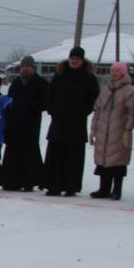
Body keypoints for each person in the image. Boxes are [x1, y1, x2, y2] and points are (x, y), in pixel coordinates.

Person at [43, 46, 101, 196]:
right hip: (58, 122)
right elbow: (50, 95)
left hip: (77, 123)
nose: (74, 60)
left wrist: (83, 112)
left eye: (77, 58)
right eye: (72, 58)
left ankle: (70, 186)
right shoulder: (59, 75)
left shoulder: (89, 78)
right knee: (55, 154)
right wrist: (52, 109)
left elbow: (93, 99)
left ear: (82, 60)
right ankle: (53, 185)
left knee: (73, 157)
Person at [89, 61, 134, 200]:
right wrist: (94, 128)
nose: (114, 73)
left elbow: (133, 112)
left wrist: (128, 129)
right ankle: (103, 189)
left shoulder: (129, 90)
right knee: (103, 159)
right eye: (112, 71)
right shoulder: (105, 89)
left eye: (117, 71)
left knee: (118, 161)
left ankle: (117, 190)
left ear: (123, 73)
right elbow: (97, 109)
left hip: (119, 130)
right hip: (103, 130)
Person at [1, 56, 49, 192]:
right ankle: (11, 181)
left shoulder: (41, 83)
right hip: (15, 123)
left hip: (31, 123)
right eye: (23, 66)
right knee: (13, 152)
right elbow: (9, 101)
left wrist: (32, 105)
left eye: (28, 66)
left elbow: (46, 102)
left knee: (29, 152)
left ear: (33, 68)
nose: (25, 69)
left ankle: (29, 181)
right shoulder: (16, 82)